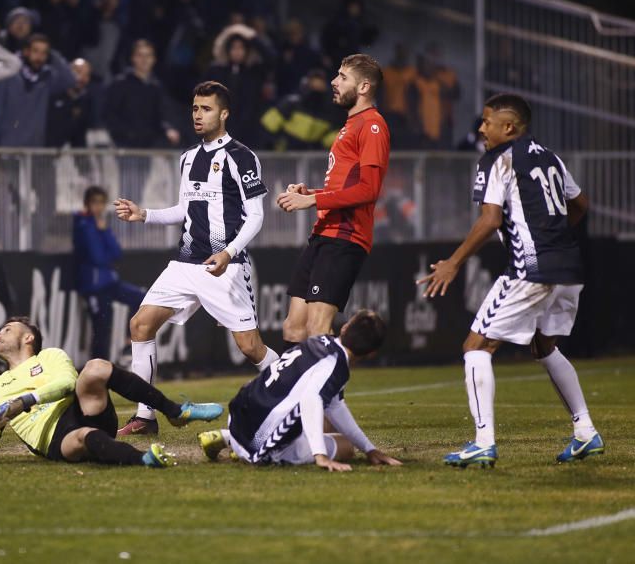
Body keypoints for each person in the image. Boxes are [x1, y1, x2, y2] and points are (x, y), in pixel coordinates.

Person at [417, 93, 602, 467]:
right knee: (543, 346)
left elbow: (490, 220)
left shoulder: (498, 160)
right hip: (568, 267)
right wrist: (553, 234)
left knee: (475, 347)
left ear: (509, 127)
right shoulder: (549, 156)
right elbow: (581, 204)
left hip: (530, 269)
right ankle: (585, 433)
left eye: (487, 122)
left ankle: (483, 441)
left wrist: (453, 262)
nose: (481, 128)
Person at [114, 81, 280, 435]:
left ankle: (297, 392)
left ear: (224, 113)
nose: (198, 115)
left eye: (205, 109)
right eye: (194, 108)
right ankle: (145, 416)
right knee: (140, 326)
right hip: (185, 263)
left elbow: (256, 216)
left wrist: (229, 252)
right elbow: (184, 210)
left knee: (250, 348)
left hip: (225, 267)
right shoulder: (187, 158)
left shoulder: (241, 156)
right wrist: (144, 214)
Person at [0, 317, 222, 467]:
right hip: (54, 439)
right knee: (84, 436)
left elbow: (67, 384)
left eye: (6, 329)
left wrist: (25, 401)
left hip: (82, 407)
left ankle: (176, 411)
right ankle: (144, 459)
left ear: (28, 338)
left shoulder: (50, 356)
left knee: (95, 367)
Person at [275, 54, 391, 347]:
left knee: (317, 327)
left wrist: (314, 202)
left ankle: (327, 393)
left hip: (346, 236)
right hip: (324, 232)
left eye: (342, 77)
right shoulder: (349, 126)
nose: (333, 82)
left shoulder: (373, 126)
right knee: (293, 328)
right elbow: (344, 186)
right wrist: (311, 194)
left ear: (364, 87)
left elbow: (368, 190)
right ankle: (295, 393)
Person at [198, 310, 402, 471]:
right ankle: (241, 447)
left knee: (311, 417)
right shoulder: (335, 365)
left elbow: (336, 406)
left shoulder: (318, 343)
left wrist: (369, 449)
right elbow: (311, 399)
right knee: (345, 446)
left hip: (238, 420)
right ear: (372, 353)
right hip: (258, 447)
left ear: (345, 327)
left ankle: (227, 438)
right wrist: (320, 455)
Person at [73, 186, 144, 361]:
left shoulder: (101, 225)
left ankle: (130, 340)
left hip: (110, 283)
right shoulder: (83, 224)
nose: (98, 207)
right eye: (94, 202)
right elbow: (98, 257)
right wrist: (100, 231)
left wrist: (103, 231)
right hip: (94, 287)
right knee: (102, 328)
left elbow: (116, 253)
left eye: (101, 203)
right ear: (87, 204)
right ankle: (98, 369)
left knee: (140, 298)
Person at [0, 34, 74, 147]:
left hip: (35, 147)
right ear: (26, 51)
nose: (39, 57)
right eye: (36, 51)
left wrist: (54, 56)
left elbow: (70, 81)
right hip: (6, 146)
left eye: (44, 53)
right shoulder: (7, 75)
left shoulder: (47, 78)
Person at [102, 40, 181, 148]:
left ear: (154, 59)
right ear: (133, 58)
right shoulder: (120, 84)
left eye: (148, 56)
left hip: (147, 145)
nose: (144, 60)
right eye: (140, 55)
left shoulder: (156, 87)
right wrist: (125, 133)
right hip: (123, 144)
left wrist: (169, 129)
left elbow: (163, 113)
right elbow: (110, 114)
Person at [47, 58, 94, 147]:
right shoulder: (52, 94)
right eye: (78, 72)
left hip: (73, 154)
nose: (82, 78)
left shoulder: (86, 100)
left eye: (86, 75)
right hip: (46, 152)